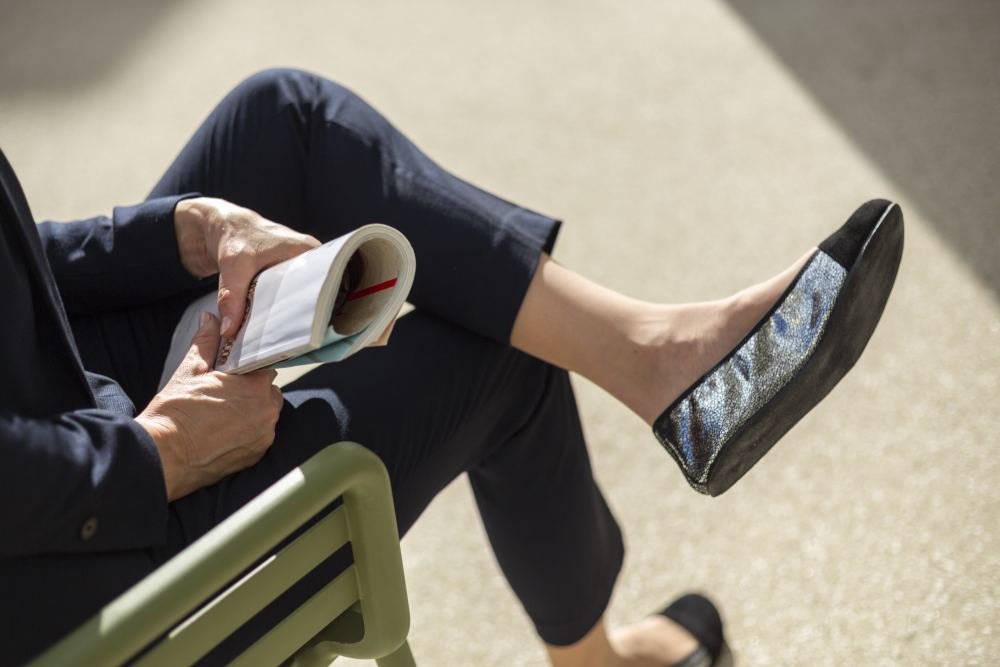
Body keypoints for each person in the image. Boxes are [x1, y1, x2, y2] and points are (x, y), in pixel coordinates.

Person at [0, 68, 901, 667]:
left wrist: (185, 232)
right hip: (75, 560)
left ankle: (661, 360)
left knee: (284, 122)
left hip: (51, 379)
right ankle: (602, 659)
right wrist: (158, 452)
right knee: (496, 347)